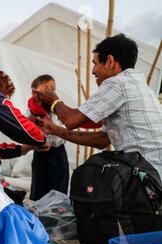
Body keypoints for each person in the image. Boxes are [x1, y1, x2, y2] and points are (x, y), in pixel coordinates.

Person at [36, 34, 162, 177]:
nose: (93, 71)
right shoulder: (141, 87)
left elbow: (71, 120)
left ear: (110, 61)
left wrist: (53, 100)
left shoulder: (118, 83)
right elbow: (102, 140)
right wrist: (55, 130)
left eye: (95, 63)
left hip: (148, 177)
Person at [27, 75, 69, 201]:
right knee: (39, 187)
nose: (50, 92)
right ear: (34, 92)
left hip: (58, 153)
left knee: (58, 188)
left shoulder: (58, 109)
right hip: (40, 154)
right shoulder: (31, 110)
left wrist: (52, 136)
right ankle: (38, 216)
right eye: (46, 88)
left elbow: (65, 131)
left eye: (53, 89)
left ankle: (56, 215)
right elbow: (26, 129)